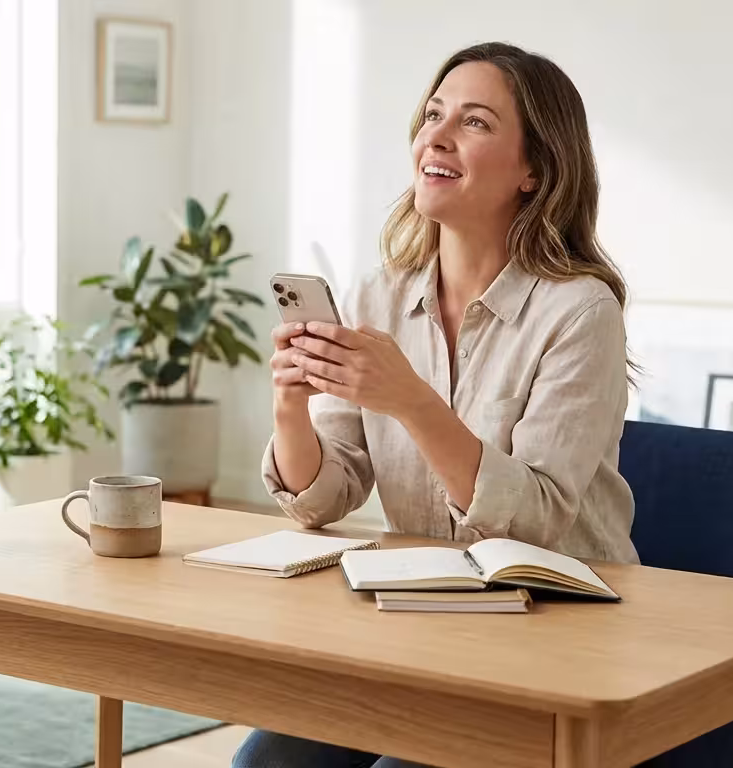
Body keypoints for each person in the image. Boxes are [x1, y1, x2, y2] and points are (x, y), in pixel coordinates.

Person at [233, 42, 639, 768]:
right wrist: (290, 408)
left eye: (475, 122)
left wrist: (415, 403)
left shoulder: (580, 311)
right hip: (418, 626)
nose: (437, 137)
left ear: (534, 170)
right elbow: (324, 500)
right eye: (432, 115)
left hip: (555, 638)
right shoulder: (376, 296)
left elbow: (538, 522)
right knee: (264, 763)